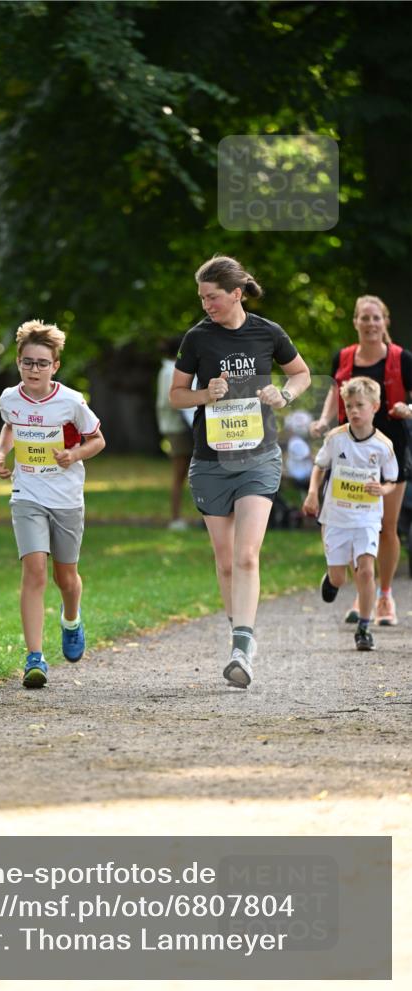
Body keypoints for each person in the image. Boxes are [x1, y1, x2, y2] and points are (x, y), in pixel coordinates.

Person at [170, 255, 311, 689]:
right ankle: (240, 630)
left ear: (235, 293)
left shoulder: (268, 332)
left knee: (248, 554)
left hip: (258, 457)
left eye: (212, 297)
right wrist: (203, 395)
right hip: (211, 461)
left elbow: (302, 374)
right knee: (226, 560)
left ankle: (241, 647)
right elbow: (176, 396)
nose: (206, 305)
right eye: (202, 298)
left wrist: (283, 394)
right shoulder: (197, 339)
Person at [0, 320, 105, 689]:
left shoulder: (71, 402)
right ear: (18, 362)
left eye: (42, 363)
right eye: (28, 362)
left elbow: (97, 440)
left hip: (67, 499)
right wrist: (0, 452)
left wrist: (74, 455)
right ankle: (34, 658)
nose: (34, 370)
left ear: (55, 365)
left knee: (66, 578)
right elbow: (10, 426)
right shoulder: (10, 398)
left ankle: (70, 620)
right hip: (27, 495)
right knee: (35, 571)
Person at [310, 295, 412, 626]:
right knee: (352, 523)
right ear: (355, 322)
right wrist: (325, 421)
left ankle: (384, 596)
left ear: (385, 322)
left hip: (389, 450)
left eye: (376, 318)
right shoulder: (342, 357)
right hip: (349, 453)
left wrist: (407, 411)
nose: (370, 324)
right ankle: (361, 591)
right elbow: (334, 392)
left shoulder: (402, 359)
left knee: (386, 526)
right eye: (364, 318)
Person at [303, 377, 399, 652]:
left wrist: (382, 488)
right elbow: (320, 466)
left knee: (367, 572)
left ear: (375, 407)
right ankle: (331, 580)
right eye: (349, 405)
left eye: (360, 405)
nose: (354, 411)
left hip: (367, 517)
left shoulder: (383, 445)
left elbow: (392, 480)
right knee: (339, 577)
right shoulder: (336, 439)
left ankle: (364, 628)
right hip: (336, 518)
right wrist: (312, 493)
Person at [156, 337, 194, 529]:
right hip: (177, 428)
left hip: (181, 426)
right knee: (180, 474)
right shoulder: (170, 371)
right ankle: (175, 517)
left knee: (189, 473)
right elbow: (169, 400)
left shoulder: (171, 370)